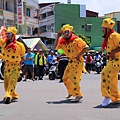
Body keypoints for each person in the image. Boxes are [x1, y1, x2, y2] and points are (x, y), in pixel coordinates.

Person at [54, 24, 89, 102]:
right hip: (70, 61)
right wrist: (57, 36)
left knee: (73, 78)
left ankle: (78, 94)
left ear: (71, 32)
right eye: (65, 32)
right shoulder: (63, 42)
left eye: (68, 32)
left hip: (78, 61)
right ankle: (71, 92)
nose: (66, 33)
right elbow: (56, 48)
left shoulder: (77, 40)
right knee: (65, 78)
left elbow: (86, 47)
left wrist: (79, 55)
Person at [0, 26, 25, 104]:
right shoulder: (4, 43)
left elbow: (22, 55)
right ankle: (13, 94)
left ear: (13, 35)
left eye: (9, 34)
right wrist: (1, 31)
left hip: (16, 66)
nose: (7, 35)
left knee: (12, 81)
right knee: (6, 84)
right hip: (7, 66)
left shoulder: (19, 45)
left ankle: (8, 96)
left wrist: (20, 64)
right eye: (7, 33)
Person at [101, 17, 120, 107]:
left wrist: (113, 52)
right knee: (113, 79)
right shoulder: (108, 37)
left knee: (105, 74)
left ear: (108, 28)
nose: (101, 30)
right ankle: (115, 98)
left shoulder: (114, 35)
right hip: (112, 60)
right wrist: (108, 54)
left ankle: (107, 96)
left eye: (103, 28)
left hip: (118, 59)